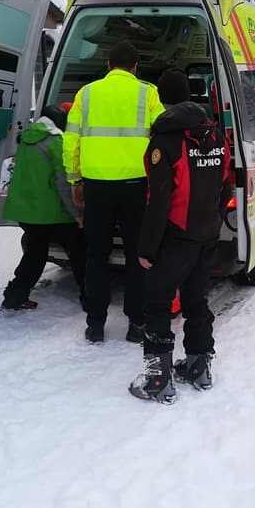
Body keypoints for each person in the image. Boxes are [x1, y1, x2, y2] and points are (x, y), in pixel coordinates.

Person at [129, 69, 232, 404]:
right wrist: (213, 220)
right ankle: (199, 367)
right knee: (196, 301)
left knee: (157, 304)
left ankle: (158, 380)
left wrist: (146, 248)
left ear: (161, 97)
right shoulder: (215, 135)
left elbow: (158, 199)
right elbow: (225, 184)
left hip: (175, 236)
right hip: (206, 234)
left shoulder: (165, 140)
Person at [64, 41, 165, 343]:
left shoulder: (87, 93)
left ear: (108, 65)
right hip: (136, 186)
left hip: (95, 186)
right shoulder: (148, 93)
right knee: (137, 255)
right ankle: (136, 324)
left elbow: (71, 140)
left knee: (96, 256)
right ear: (135, 67)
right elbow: (162, 133)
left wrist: (74, 180)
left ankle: (95, 325)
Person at [1, 106, 85, 311]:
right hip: (52, 213)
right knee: (79, 252)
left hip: (26, 212)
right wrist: (77, 214)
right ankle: (91, 298)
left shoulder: (25, 140)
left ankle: (14, 296)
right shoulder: (57, 142)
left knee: (35, 255)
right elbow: (64, 184)